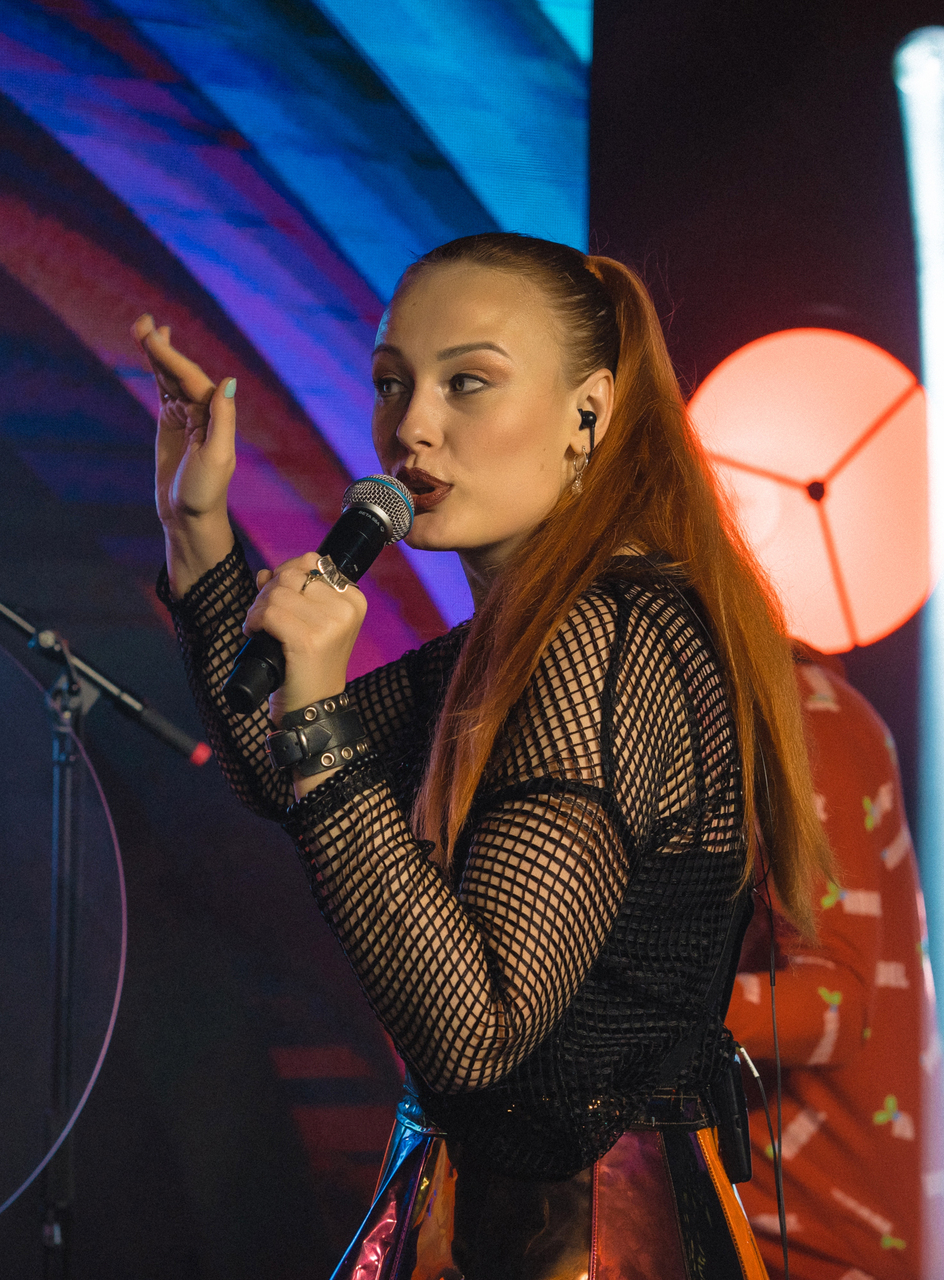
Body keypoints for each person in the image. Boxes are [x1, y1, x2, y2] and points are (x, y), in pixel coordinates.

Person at [138, 231, 833, 1278]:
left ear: (588, 412)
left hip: (585, 1240)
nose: (411, 427)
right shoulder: (527, 633)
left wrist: (319, 712)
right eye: (392, 382)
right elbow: (276, 768)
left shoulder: (604, 636)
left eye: (468, 382)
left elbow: (477, 1030)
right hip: (500, 1225)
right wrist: (197, 529)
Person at [729, 650, 944, 1280]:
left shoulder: (808, 711)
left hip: (827, 1243)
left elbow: (835, 1000)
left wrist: (627, 1008)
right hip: (765, 1226)